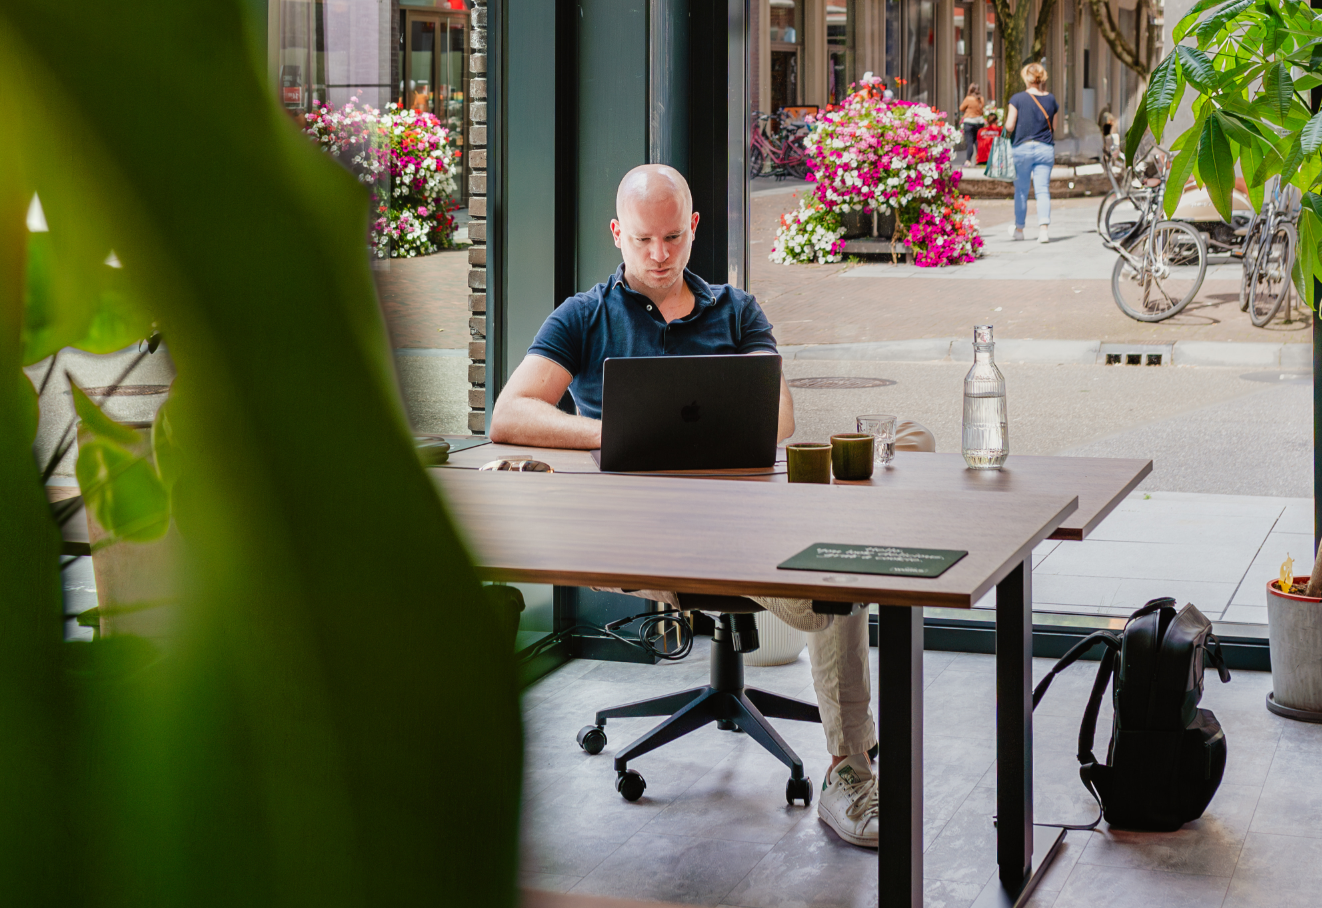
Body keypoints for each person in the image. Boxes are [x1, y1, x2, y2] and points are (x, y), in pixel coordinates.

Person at [491, 164, 936, 850]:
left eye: (673, 237)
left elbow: (780, 419)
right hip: (636, 538)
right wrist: (611, 432)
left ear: (694, 228)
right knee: (834, 580)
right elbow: (510, 413)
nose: (659, 254)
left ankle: (848, 766)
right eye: (643, 239)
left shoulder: (736, 310)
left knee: (854, 541)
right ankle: (847, 734)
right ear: (616, 233)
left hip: (737, 529)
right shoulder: (584, 315)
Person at [1004, 62, 1058, 243]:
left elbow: (1009, 125)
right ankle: (1043, 231)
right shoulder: (1051, 99)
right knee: (1042, 190)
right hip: (1045, 148)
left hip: (1022, 148)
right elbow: (1054, 126)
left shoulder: (1017, 99)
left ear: (1025, 77)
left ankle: (1019, 229)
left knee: (1021, 190)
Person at [958, 84, 985, 167]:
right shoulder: (981, 99)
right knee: (978, 141)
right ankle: (979, 159)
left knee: (969, 142)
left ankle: (968, 161)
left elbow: (961, 108)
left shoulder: (968, 99)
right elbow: (982, 108)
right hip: (979, 122)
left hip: (969, 122)